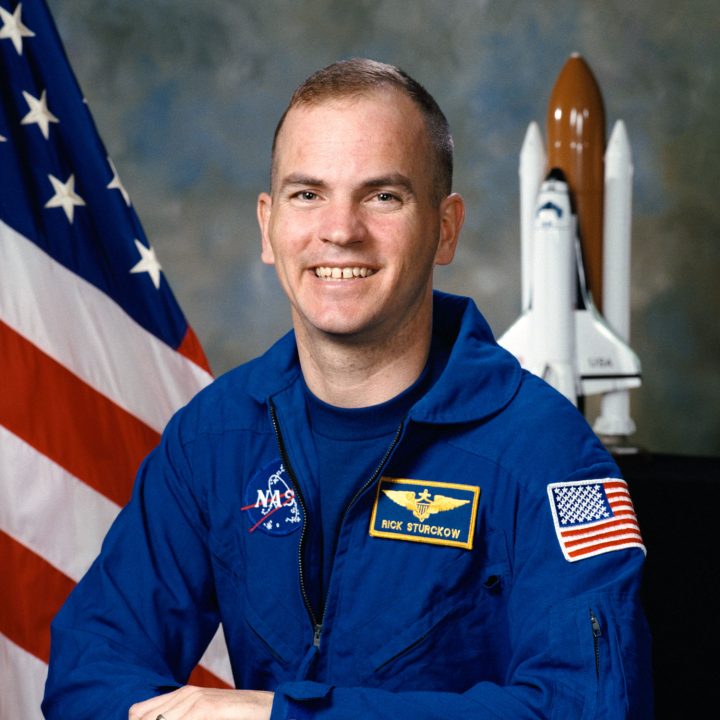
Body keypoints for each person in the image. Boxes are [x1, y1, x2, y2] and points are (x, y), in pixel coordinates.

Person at [42, 58, 653, 719]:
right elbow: (88, 671)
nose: (341, 229)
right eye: (308, 194)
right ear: (268, 227)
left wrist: (288, 716)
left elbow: (589, 706)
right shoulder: (216, 437)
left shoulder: (542, 453)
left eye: (382, 196)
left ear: (445, 228)